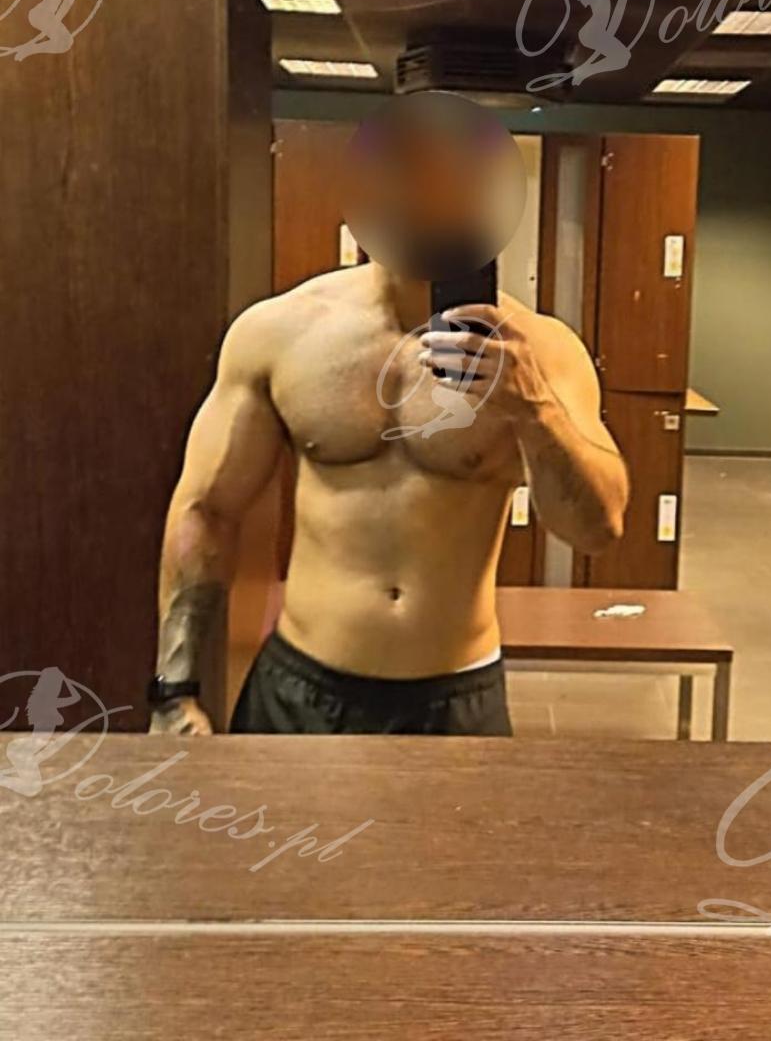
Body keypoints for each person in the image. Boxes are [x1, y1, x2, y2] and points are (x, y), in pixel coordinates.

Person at [149, 98, 629, 737]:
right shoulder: (280, 332)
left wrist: (532, 407)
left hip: (455, 697)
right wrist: (174, 691)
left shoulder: (540, 350)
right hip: (301, 690)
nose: (430, 200)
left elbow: (598, 529)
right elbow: (207, 510)